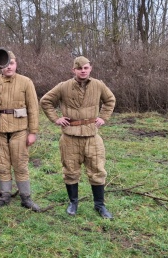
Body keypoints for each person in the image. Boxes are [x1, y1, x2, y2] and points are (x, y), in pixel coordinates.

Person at [39, 56, 116, 219]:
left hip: (92, 136)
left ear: (90, 68)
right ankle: (73, 203)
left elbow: (110, 100)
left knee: (97, 170)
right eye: (79, 68)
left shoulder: (98, 85)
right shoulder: (63, 86)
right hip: (70, 137)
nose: (83, 71)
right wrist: (56, 118)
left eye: (86, 68)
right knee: (70, 171)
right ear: (73, 70)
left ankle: (100, 205)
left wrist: (103, 117)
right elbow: (45, 101)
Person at [0, 51, 41, 212]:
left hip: (19, 130)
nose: (8, 67)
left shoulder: (26, 82)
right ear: (0, 66)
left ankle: (26, 198)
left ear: (16, 64)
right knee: (2, 164)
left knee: (20, 165)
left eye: (11, 63)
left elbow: (33, 108)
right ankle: (5, 195)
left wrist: (33, 132)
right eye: (5, 64)